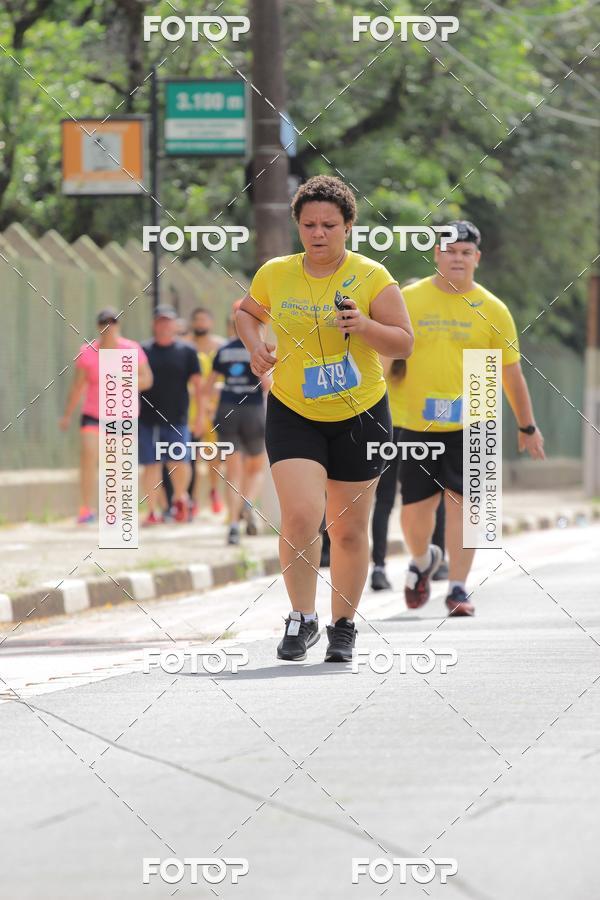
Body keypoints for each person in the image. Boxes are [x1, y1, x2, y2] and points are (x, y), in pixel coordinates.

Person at [235, 174, 414, 662]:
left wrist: (366, 326)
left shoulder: (373, 276)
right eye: (309, 224)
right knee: (299, 514)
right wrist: (256, 347)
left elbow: (403, 342)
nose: (318, 234)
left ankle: (343, 626)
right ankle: (302, 617)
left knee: (350, 529)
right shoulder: (275, 273)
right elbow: (246, 313)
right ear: (297, 225)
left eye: (329, 225)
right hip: (294, 410)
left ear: (349, 226)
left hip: (360, 414)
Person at [397, 220, 544, 617]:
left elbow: (510, 371)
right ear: (436, 255)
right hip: (414, 418)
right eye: (450, 251)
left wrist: (526, 425)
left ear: (476, 258)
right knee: (414, 511)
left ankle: (458, 588)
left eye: (465, 252)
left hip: (475, 414)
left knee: (465, 504)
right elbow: (382, 354)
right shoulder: (409, 299)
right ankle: (422, 559)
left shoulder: (493, 308)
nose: (457, 258)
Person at [59, 308, 152, 523]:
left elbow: (147, 380)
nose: (108, 327)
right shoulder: (88, 351)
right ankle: (85, 508)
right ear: (99, 327)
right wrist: (67, 414)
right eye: (104, 323)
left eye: (113, 322)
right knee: (89, 454)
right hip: (93, 413)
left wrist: (125, 380)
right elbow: (77, 385)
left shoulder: (132, 349)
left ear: (118, 325)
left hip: (122, 415)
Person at [205, 301, 269, 545]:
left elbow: (207, 387)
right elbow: (266, 385)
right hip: (252, 410)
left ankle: (232, 524)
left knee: (232, 471)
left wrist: (206, 411)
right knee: (255, 468)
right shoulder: (258, 350)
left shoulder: (222, 351)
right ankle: (247, 504)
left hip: (227, 410)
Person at [139, 305, 204, 525]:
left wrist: (200, 417)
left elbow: (198, 386)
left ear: (175, 325)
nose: (164, 326)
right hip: (147, 418)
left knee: (179, 461)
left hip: (178, 418)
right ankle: (151, 510)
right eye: (160, 321)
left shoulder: (187, 351)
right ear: (154, 324)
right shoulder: (143, 351)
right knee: (151, 463)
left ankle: (179, 498)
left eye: (168, 322)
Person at [187, 307, 226, 517]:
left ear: (210, 322)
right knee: (191, 456)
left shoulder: (220, 346)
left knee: (213, 456)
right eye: (197, 320)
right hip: (190, 409)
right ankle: (191, 499)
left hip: (214, 408)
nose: (201, 323)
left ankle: (214, 492)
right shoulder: (186, 346)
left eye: (204, 319)